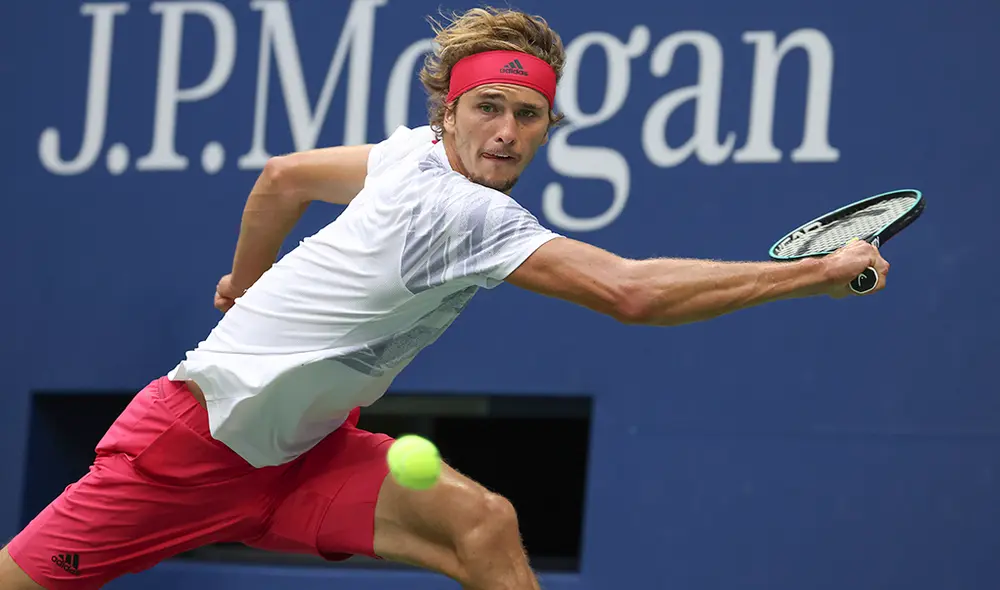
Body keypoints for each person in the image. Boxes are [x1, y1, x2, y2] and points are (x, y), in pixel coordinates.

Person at [0, 6, 889, 590]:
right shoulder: (456, 209)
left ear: (549, 125)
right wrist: (814, 273)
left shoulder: (405, 154)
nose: (506, 133)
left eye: (528, 116)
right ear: (451, 114)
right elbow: (630, 294)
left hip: (303, 453)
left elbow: (282, 178)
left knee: (481, 524)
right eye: (488, 109)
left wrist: (245, 282)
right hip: (190, 451)